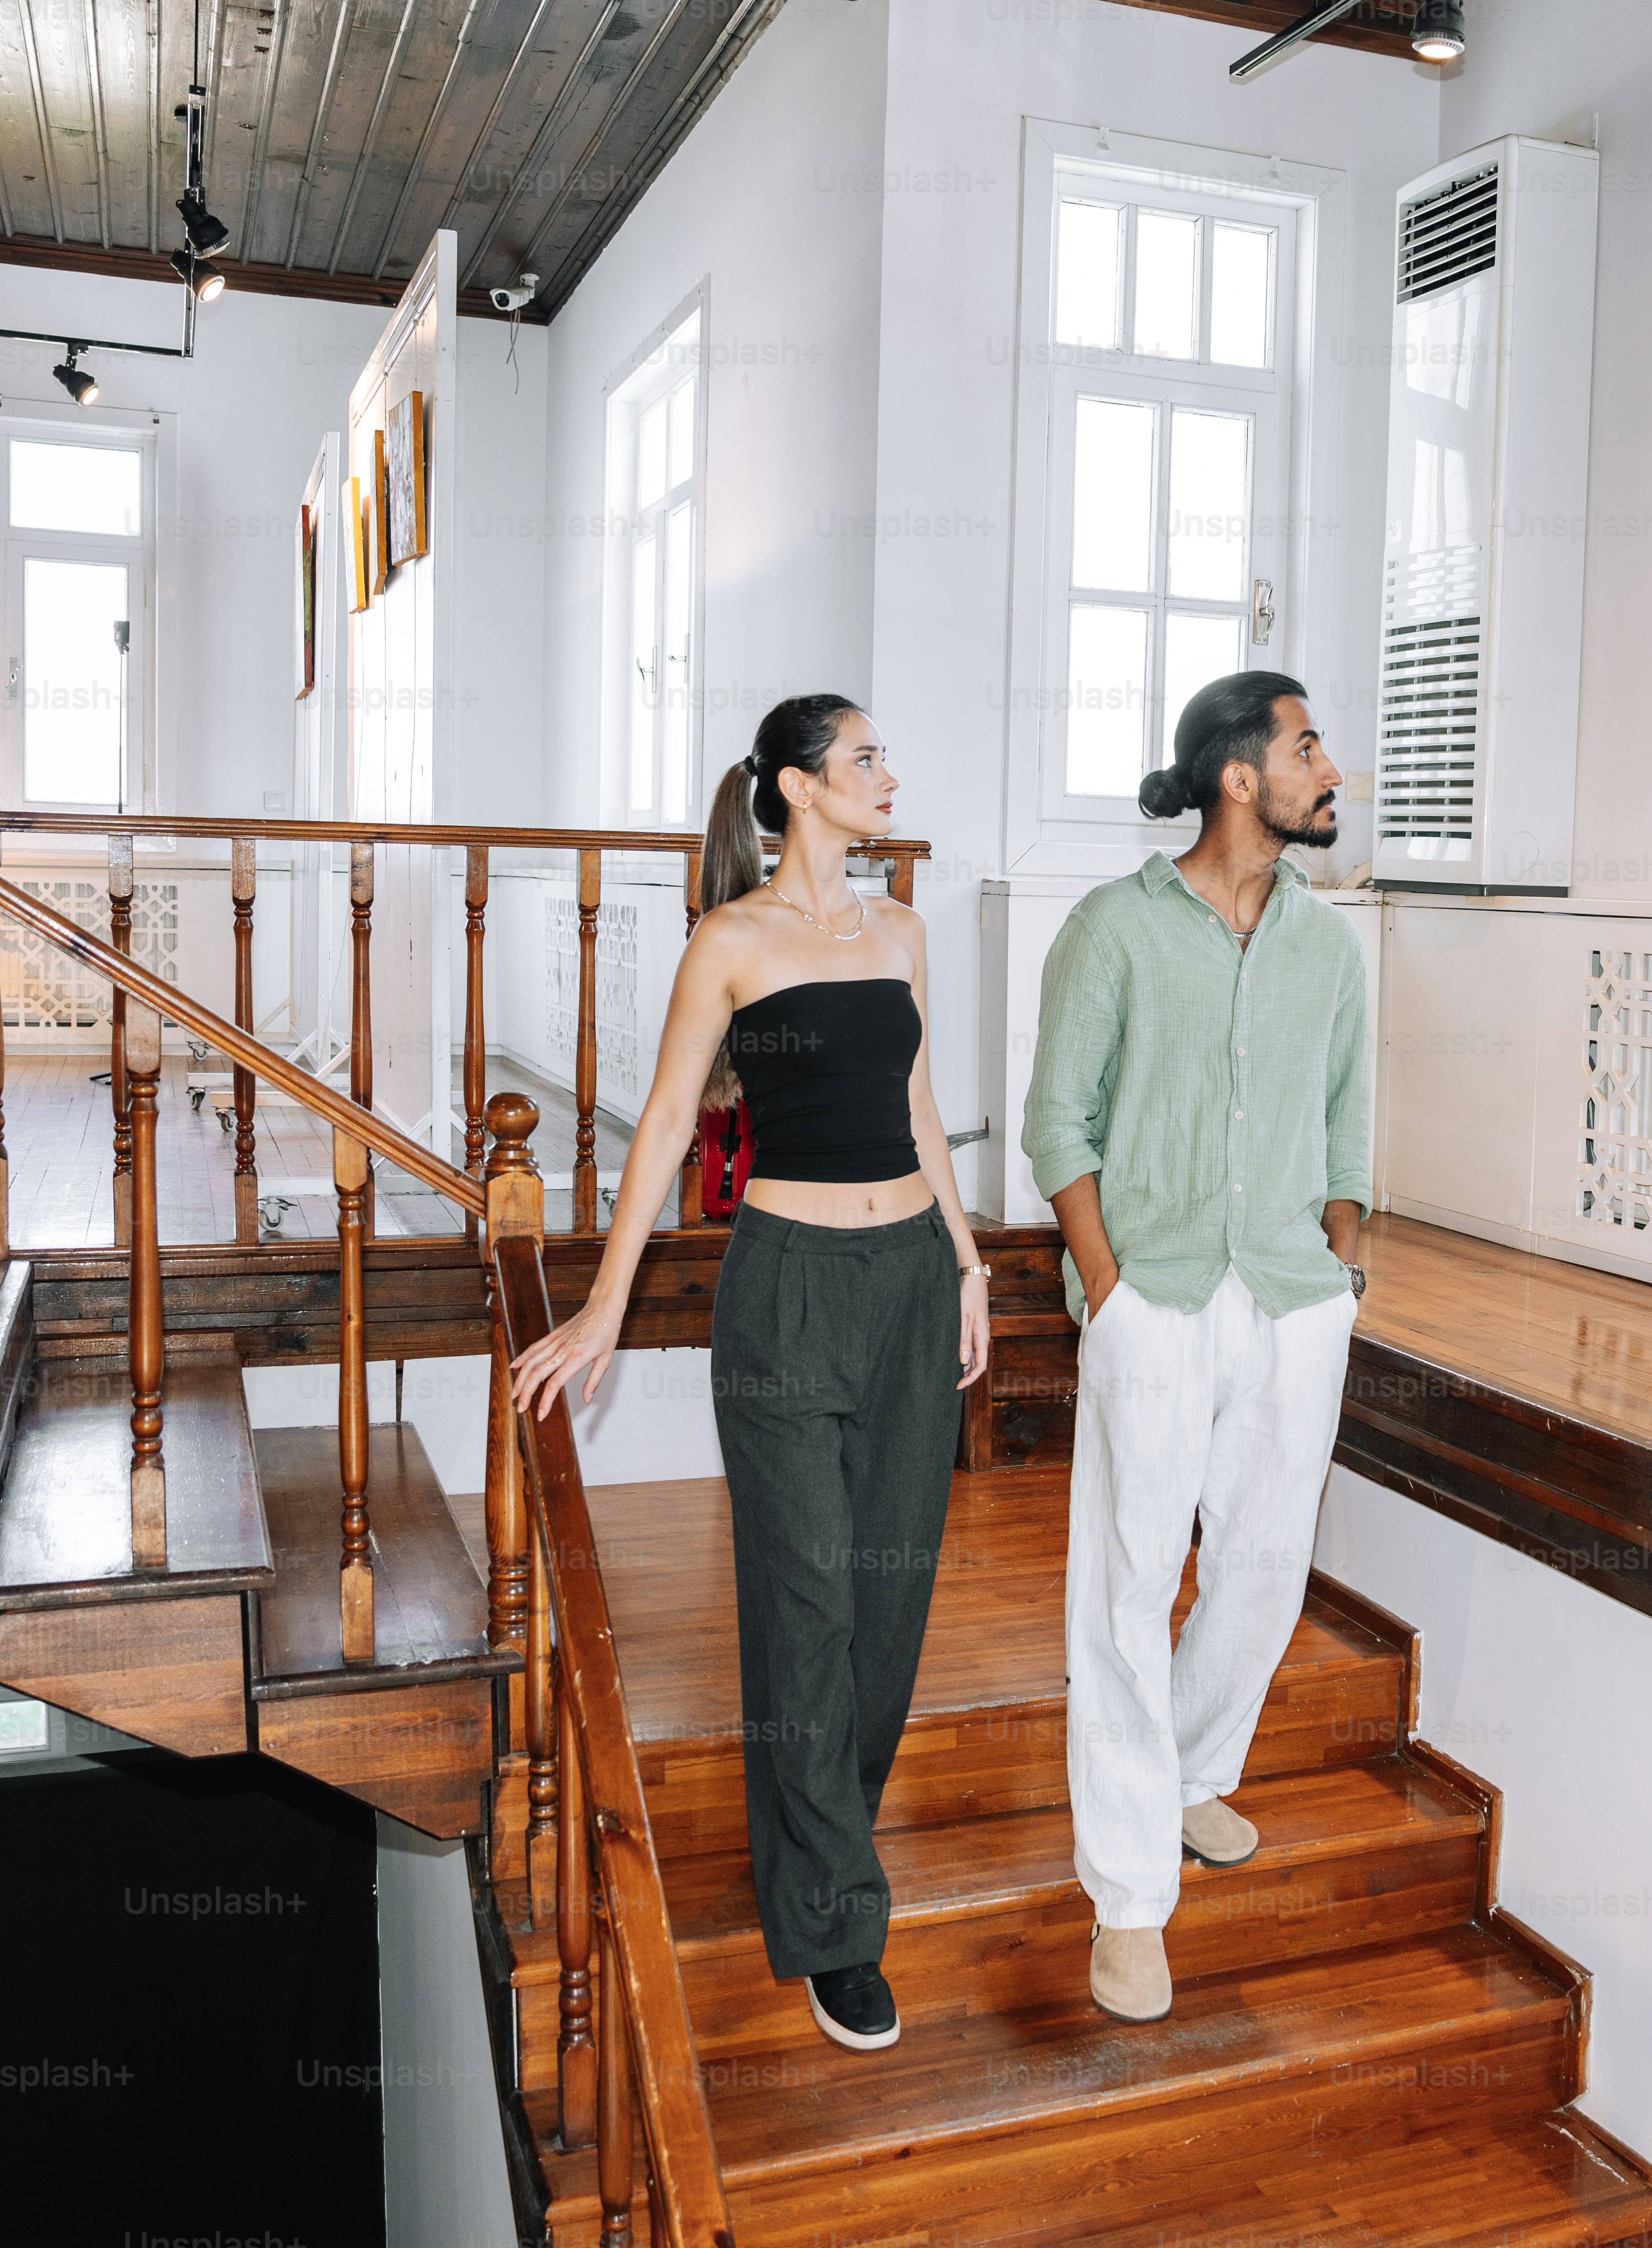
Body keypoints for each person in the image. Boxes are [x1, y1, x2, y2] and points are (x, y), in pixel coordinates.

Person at [509, 693, 988, 2055]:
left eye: (884, 756)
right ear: (796, 787)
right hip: (785, 1293)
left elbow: (918, 1111)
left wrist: (966, 1262)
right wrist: (606, 1304)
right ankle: (834, 1919)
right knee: (808, 1602)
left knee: (888, 1612)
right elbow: (669, 1119)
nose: (887, 775)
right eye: (864, 758)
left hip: (909, 1284)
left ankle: (819, 1837)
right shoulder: (729, 941)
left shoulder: (901, 932)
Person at [1021, 670, 1371, 2025]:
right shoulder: (1113, 929)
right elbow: (1059, 1123)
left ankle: (1190, 1775)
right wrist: (1107, 1285)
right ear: (1240, 776)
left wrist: (1340, 1260)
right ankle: (1127, 1896)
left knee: (1267, 1564)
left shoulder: (1328, 948)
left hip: (1293, 1295)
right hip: (1154, 1295)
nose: (1329, 769)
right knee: (1126, 1581)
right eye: (1307, 747)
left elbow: (1348, 1119)